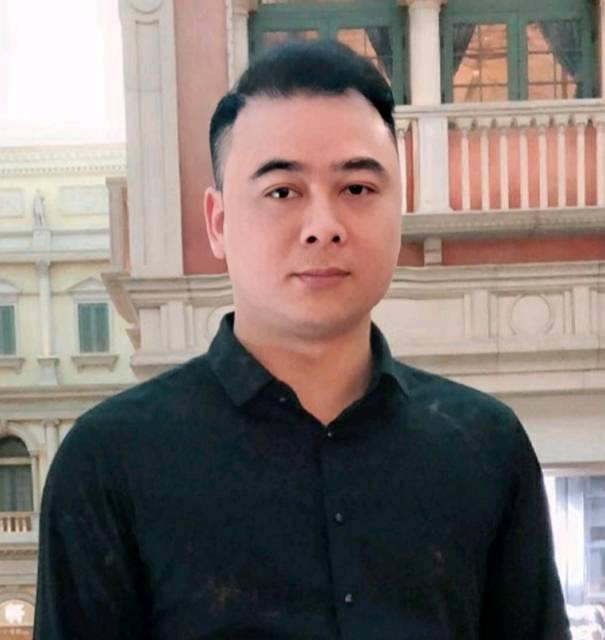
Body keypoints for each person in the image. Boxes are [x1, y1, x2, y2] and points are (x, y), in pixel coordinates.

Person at [33, 41, 571, 640]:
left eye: (357, 189)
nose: (323, 227)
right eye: (283, 192)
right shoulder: (110, 463)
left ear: (399, 211)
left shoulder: (485, 447)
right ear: (218, 222)